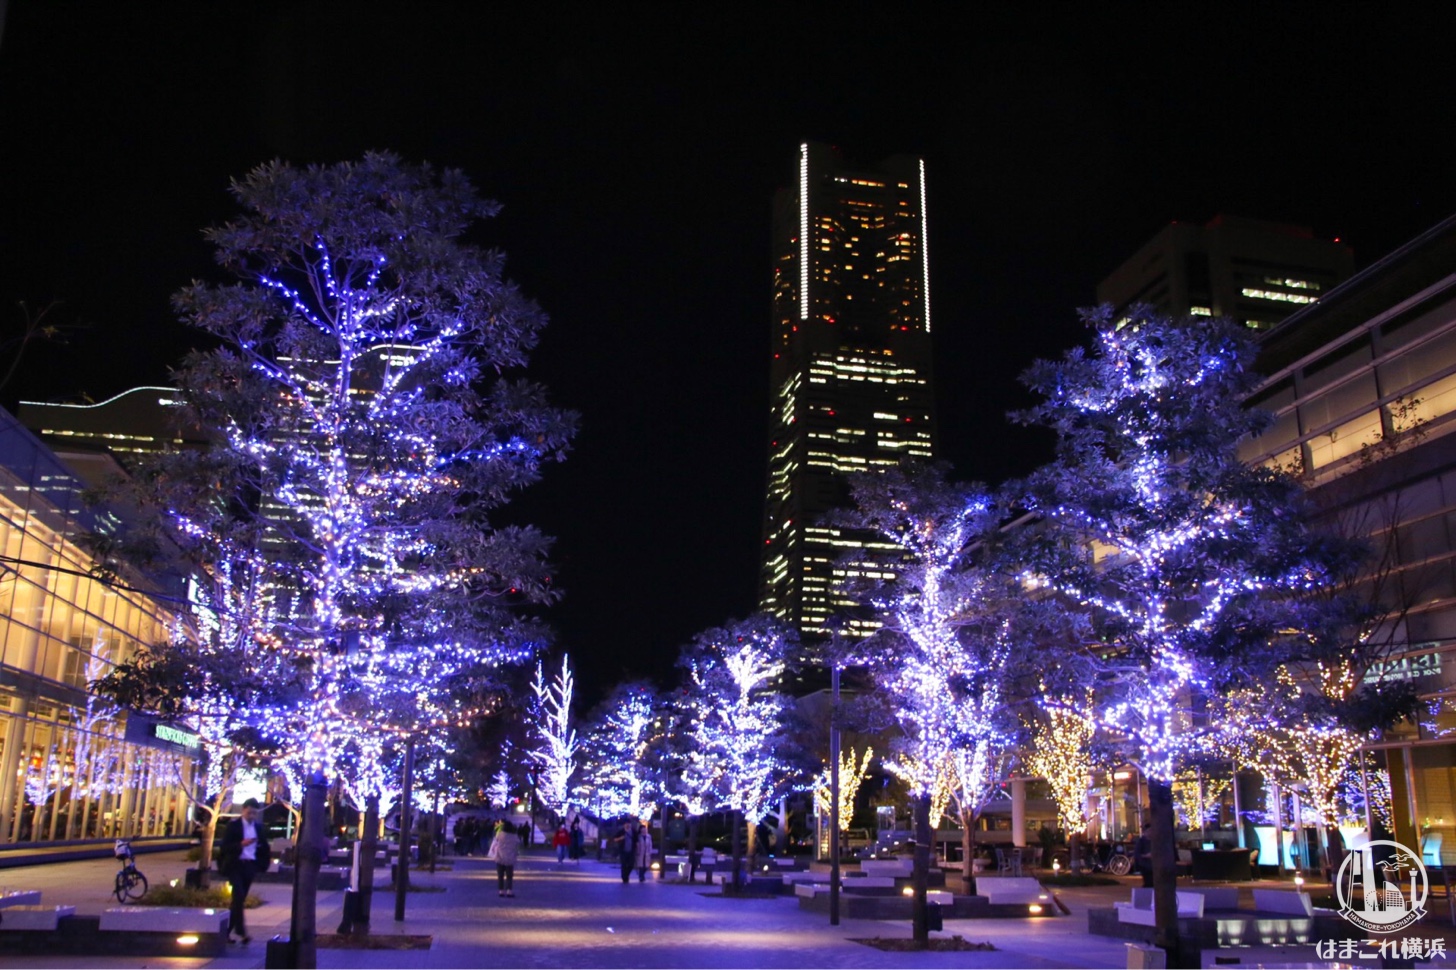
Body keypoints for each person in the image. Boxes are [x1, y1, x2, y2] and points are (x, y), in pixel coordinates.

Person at [219, 798, 271, 944]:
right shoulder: (234, 826)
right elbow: (225, 847)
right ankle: (241, 932)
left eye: (254, 813)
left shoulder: (258, 828)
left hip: (250, 866)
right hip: (235, 865)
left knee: (239, 900)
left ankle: (227, 932)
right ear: (243, 810)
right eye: (249, 812)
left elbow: (264, 847)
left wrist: (262, 864)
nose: (252, 816)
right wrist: (241, 844)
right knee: (238, 895)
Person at [489, 820, 522, 898]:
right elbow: (518, 844)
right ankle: (509, 891)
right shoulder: (514, 836)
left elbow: (496, 841)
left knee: (500, 876)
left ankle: (501, 891)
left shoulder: (500, 834)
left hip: (500, 857)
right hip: (510, 858)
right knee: (509, 876)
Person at [1134, 822, 1154, 888]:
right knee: (1148, 881)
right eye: (1149, 831)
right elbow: (1137, 854)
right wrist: (1146, 856)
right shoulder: (1141, 841)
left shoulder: (1155, 841)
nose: (1150, 833)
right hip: (1145, 865)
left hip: (1154, 865)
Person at [617, 818, 637, 884]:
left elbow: (636, 840)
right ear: (624, 825)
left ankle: (626, 875)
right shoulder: (621, 831)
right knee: (624, 864)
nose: (627, 825)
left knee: (631, 864)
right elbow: (614, 839)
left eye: (629, 824)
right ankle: (624, 877)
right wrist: (620, 838)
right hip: (623, 851)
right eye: (626, 824)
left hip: (631, 850)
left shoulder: (634, 831)